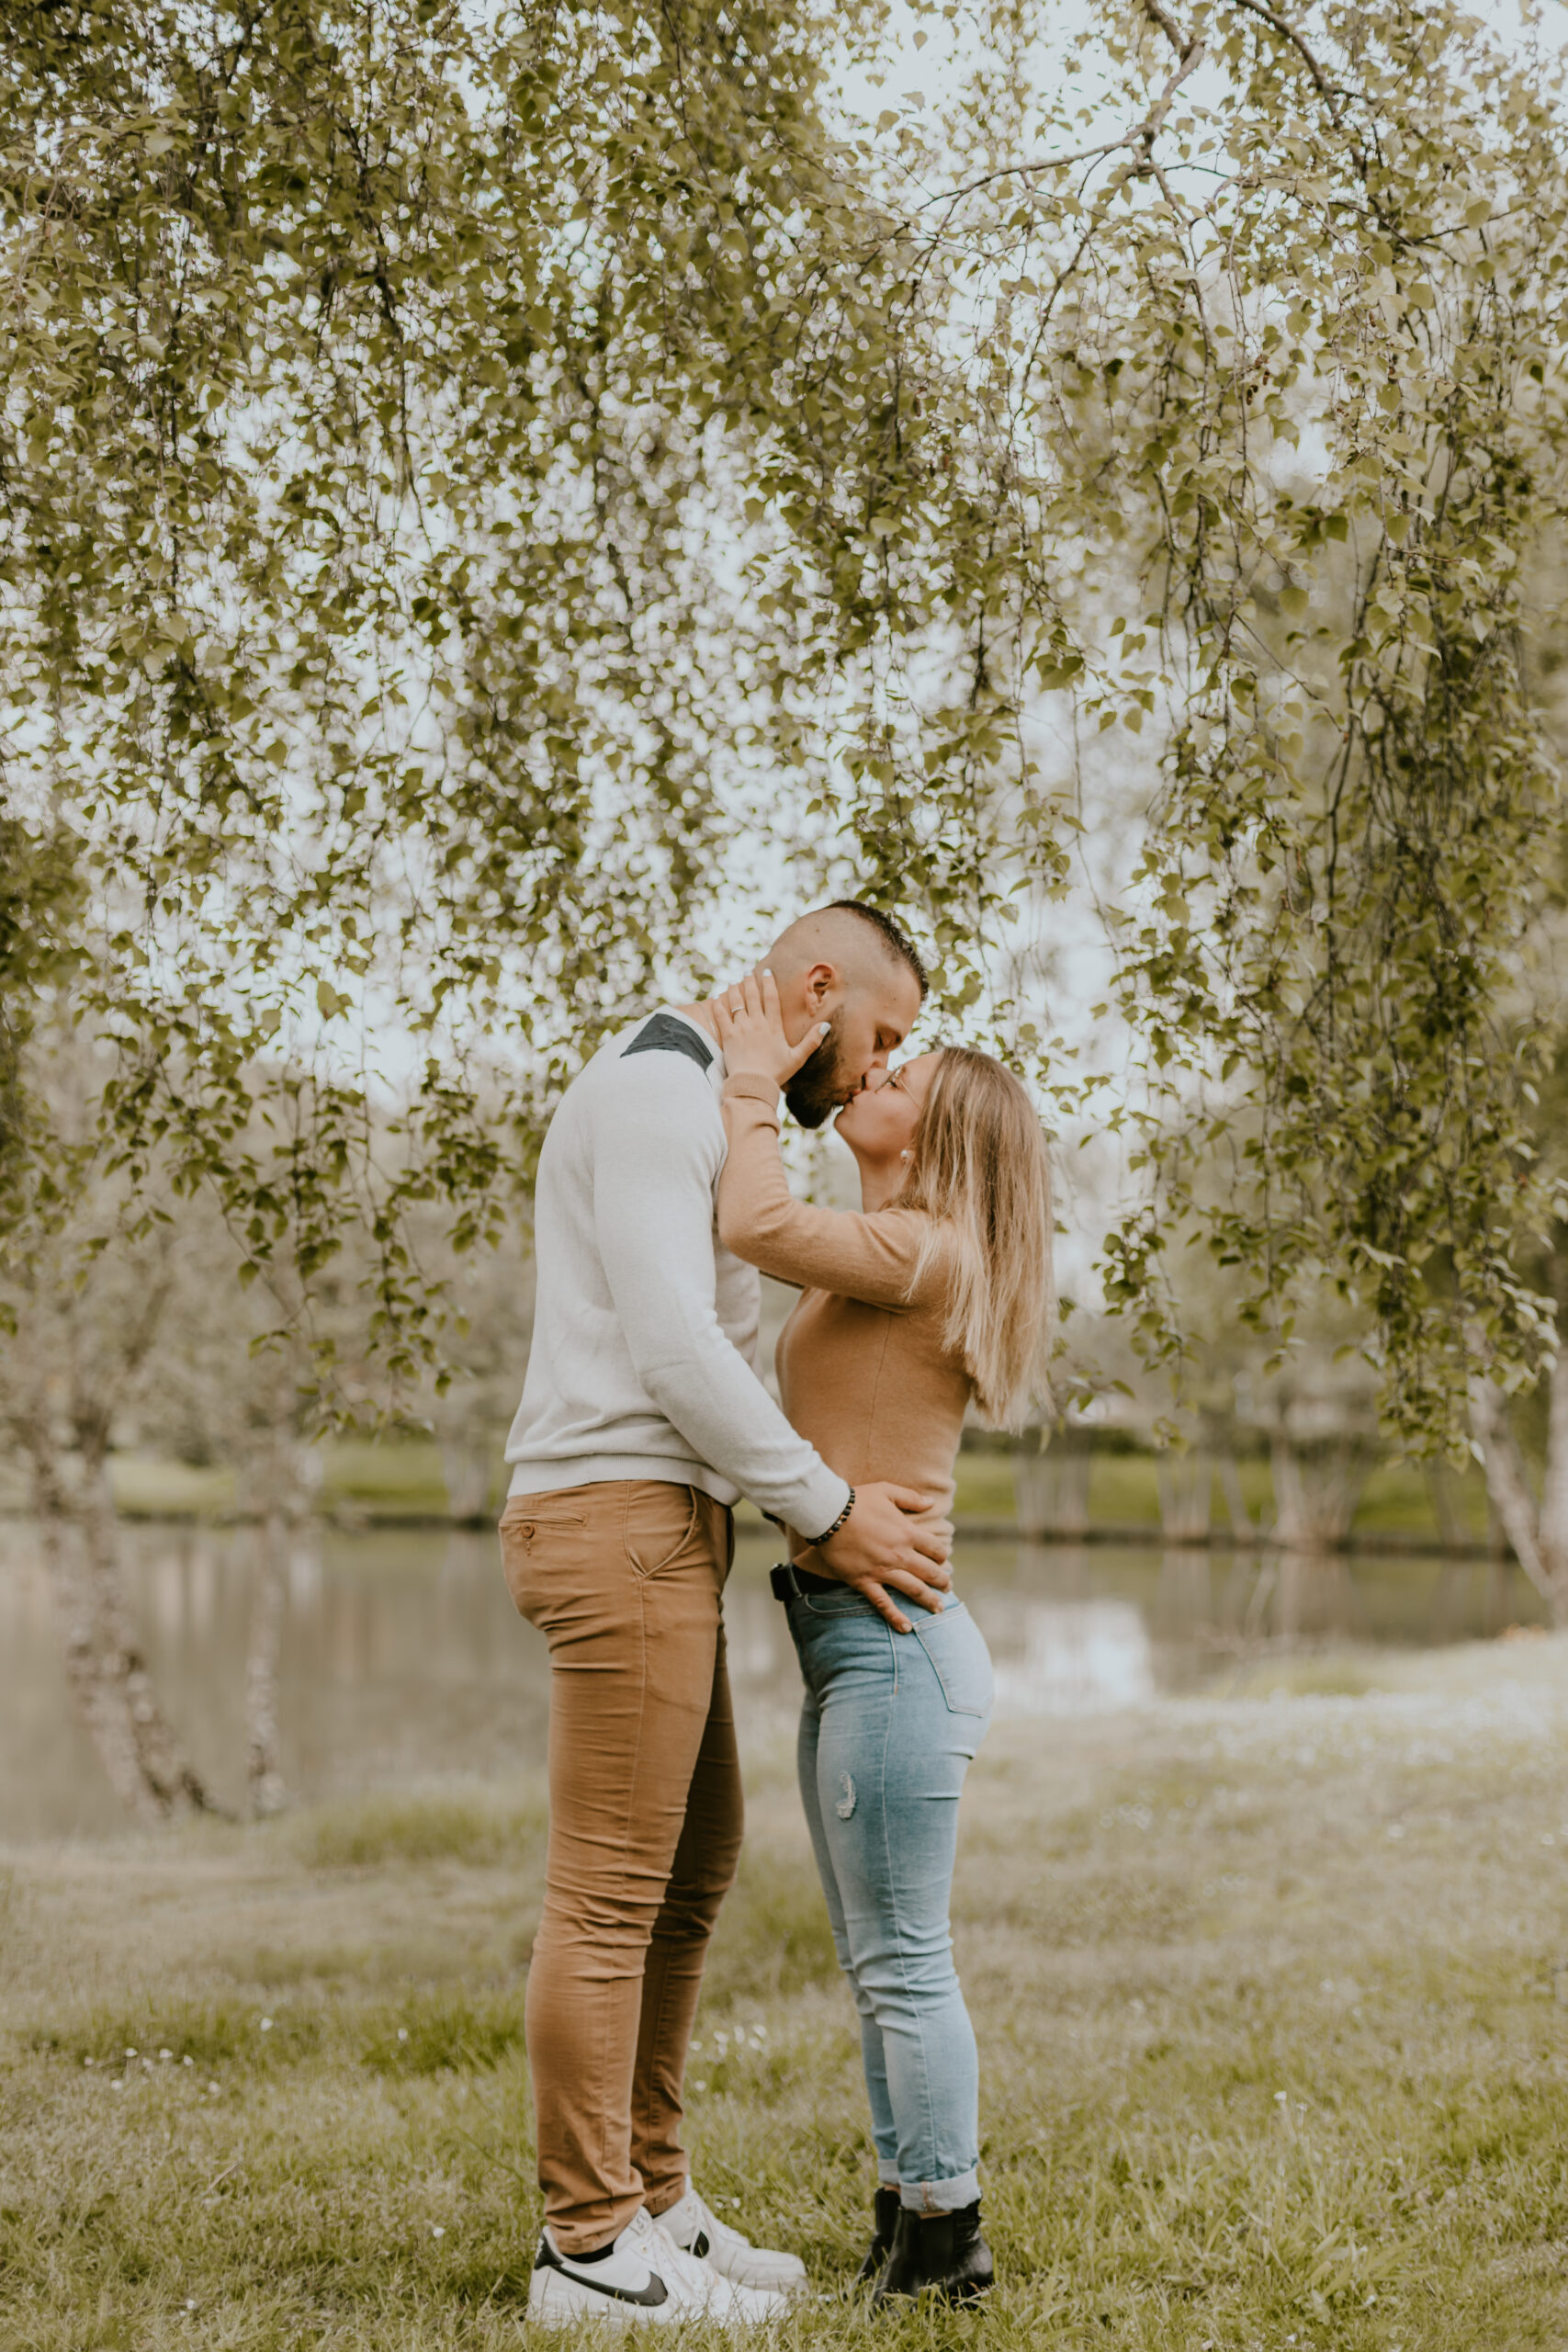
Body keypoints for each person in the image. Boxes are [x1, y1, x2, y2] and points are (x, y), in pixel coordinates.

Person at [498, 903, 956, 2331]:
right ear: (819, 992)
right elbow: (675, 1345)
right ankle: (587, 2253)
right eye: (879, 1038)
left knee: (694, 1873)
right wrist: (828, 1511)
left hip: (665, 1524)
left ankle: (654, 2200)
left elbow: (725, 1351)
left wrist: (804, 1498)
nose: (873, 1070)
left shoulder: (710, 1102)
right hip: (614, 1519)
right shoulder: (650, 1094)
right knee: (610, 1896)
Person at [712, 968, 1055, 2309]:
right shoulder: (889, 1254)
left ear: (937, 1138)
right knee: (881, 1961)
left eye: (899, 1078)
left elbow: (751, 1216)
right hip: (850, 1643)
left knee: (906, 1960)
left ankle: (947, 2242)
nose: (870, 1077)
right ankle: (910, 2211)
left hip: (891, 1647)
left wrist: (750, 1074)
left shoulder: (922, 1251)